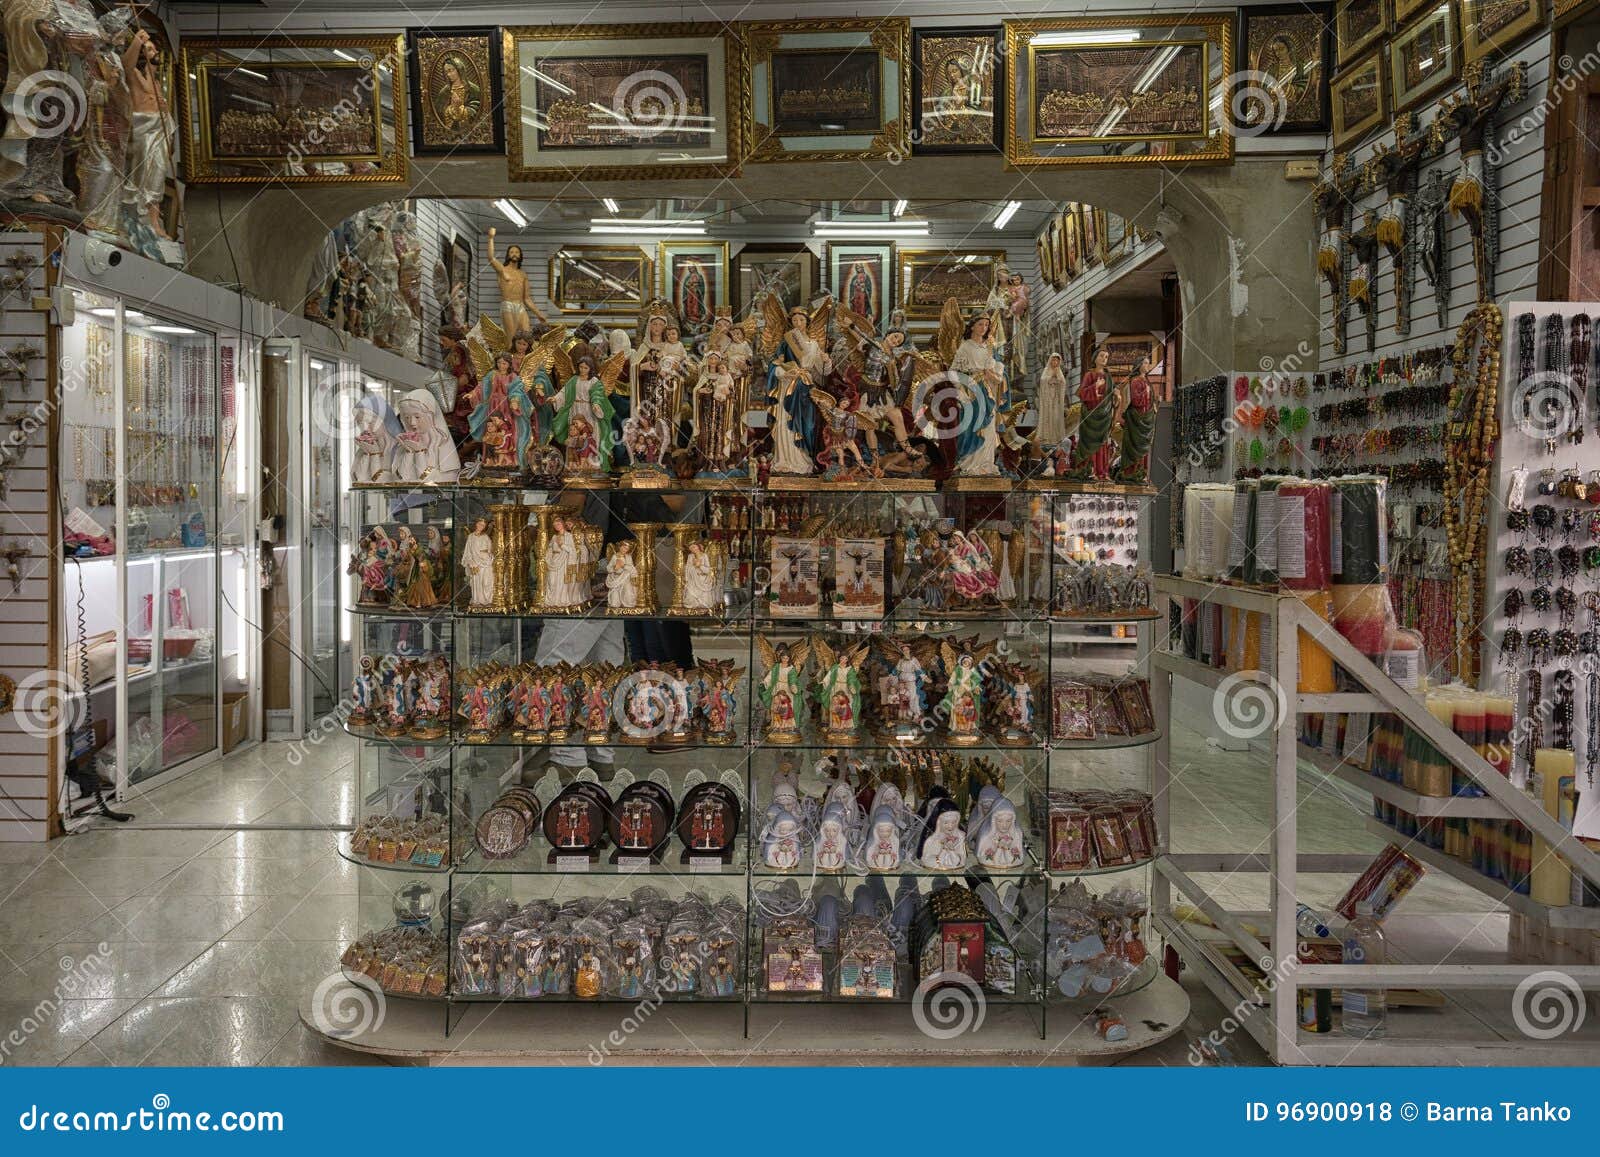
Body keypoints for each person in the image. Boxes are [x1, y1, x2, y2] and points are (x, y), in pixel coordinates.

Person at [486, 227, 546, 338]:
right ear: (508, 255)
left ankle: (525, 356)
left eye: (517, 252)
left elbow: (527, 298)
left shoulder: (523, 274)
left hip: (520, 306)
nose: (514, 254)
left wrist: (539, 314)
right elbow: (491, 258)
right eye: (512, 252)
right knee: (511, 337)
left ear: (520, 255)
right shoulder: (502, 270)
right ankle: (508, 355)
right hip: (507, 305)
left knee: (526, 335)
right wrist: (490, 238)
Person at [1036, 351, 1069, 448]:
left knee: (1056, 417)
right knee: (1048, 416)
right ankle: (1046, 438)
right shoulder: (1046, 370)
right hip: (1047, 399)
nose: (1055, 362)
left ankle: (1056, 438)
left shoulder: (1059, 372)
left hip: (1056, 399)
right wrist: (1051, 377)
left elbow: (1063, 383)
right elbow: (1043, 381)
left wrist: (1058, 380)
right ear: (1050, 361)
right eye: (1053, 360)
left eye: (1057, 361)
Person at [462, 517, 495, 607]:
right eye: (480, 524)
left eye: (483, 525)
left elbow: (491, 550)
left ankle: (488, 600)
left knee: (488, 581)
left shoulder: (486, 537)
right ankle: (478, 600)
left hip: (486, 562)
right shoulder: (471, 537)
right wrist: (471, 563)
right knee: (477, 583)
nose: (481, 526)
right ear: (476, 524)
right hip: (476, 563)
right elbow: (467, 552)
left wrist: (488, 556)